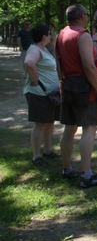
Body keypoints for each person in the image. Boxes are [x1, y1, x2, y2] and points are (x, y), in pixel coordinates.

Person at [55, 4, 97, 188]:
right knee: (89, 128)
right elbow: (88, 66)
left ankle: (67, 169)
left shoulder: (61, 34)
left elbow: (59, 64)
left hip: (68, 87)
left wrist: (63, 84)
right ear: (81, 17)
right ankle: (86, 175)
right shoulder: (83, 35)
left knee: (69, 129)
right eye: (86, 15)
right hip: (85, 89)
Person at [23, 24, 61, 166]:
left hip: (48, 94)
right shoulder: (35, 49)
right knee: (40, 124)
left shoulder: (44, 49)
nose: (51, 35)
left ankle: (48, 150)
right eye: (49, 34)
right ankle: (36, 156)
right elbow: (28, 63)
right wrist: (36, 81)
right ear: (44, 37)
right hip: (39, 93)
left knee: (49, 122)